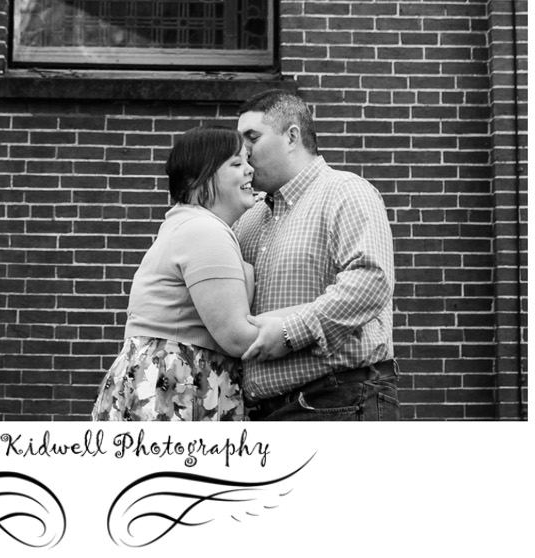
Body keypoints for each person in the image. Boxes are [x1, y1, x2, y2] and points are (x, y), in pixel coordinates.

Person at [235, 90, 398, 421]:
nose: (243, 151)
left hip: (339, 400)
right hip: (266, 413)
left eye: (252, 137)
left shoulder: (346, 191)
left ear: (292, 136)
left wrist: (291, 332)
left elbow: (371, 280)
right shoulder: (247, 219)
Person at [92, 122, 260, 421]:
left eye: (248, 160)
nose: (250, 170)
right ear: (199, 180)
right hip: (175, 383)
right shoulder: (203, 230)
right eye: (237, 163)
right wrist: (310, 320)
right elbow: (237, 337)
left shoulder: (190, 225)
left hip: (165, 378)